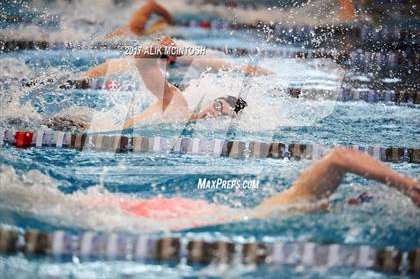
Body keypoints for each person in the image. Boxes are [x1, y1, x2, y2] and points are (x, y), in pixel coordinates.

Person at [83, 147, 420, 230]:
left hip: (191, 214)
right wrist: (409, 187)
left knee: (80, 205)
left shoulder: (307, 208)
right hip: (190, 215)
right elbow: (340, 157)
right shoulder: (303, 198)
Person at [77, 37, 270, 129]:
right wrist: (159, 49)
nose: (214, 114)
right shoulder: (178, 103)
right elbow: (142, 62)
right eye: (218, 106)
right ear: (212, 101)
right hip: (84, 127)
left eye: (223, 116)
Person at [106, 1, 174, 38]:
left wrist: (169, 18)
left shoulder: (142, 27)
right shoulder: (137, 23)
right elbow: (152, 5)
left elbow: (152, 5)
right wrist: (169, 18)